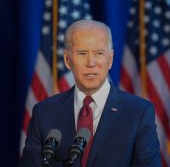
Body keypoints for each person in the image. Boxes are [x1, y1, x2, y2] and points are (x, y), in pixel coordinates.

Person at [19, 19, 162, 167]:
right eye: (82, 53)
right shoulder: (44, 112)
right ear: (67, 60)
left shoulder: (138, 112)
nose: (91, 62)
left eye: (99, 53)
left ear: (110, 59)